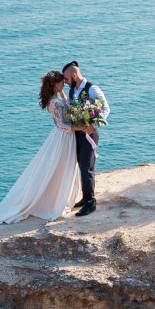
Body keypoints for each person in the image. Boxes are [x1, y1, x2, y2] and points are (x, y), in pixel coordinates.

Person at [0, 70, 82, 224]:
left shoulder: (54, 100)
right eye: (61, 82)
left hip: (60, 137)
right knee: (61, 168)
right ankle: (53, 202)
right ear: (54, 84)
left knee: (58, 168)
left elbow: (63, 113)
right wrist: (84, 127)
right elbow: (64, 125)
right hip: (64, 138)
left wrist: (64, 97)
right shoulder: (55, 103)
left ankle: (54, 198)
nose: (64, 84)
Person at [60, 60, 109, 216]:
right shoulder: (72, 91)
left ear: (74, 75)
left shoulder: (92, 89)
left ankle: (90, 202)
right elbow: (72, 107)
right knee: (80, 166)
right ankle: (85, 197)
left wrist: (94, 125)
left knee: (87, 167)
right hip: (76, 134)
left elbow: (106, 108)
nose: (66, 83)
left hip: (89, 134)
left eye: (67, 79)